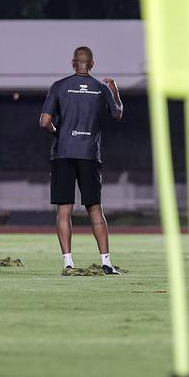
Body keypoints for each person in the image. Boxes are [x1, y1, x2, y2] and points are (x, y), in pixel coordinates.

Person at [40, 46, 125, 274]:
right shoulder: (100, 88)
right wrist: (115, 90)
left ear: (73, 63)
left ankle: (68, 263)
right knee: (95, 209)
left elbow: (45, 121)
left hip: (63, 153)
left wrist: (59, 132)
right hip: (89, 155)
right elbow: (117, 113)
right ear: (92, 64)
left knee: (64, 211)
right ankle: (106, 263)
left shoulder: (59, 86)